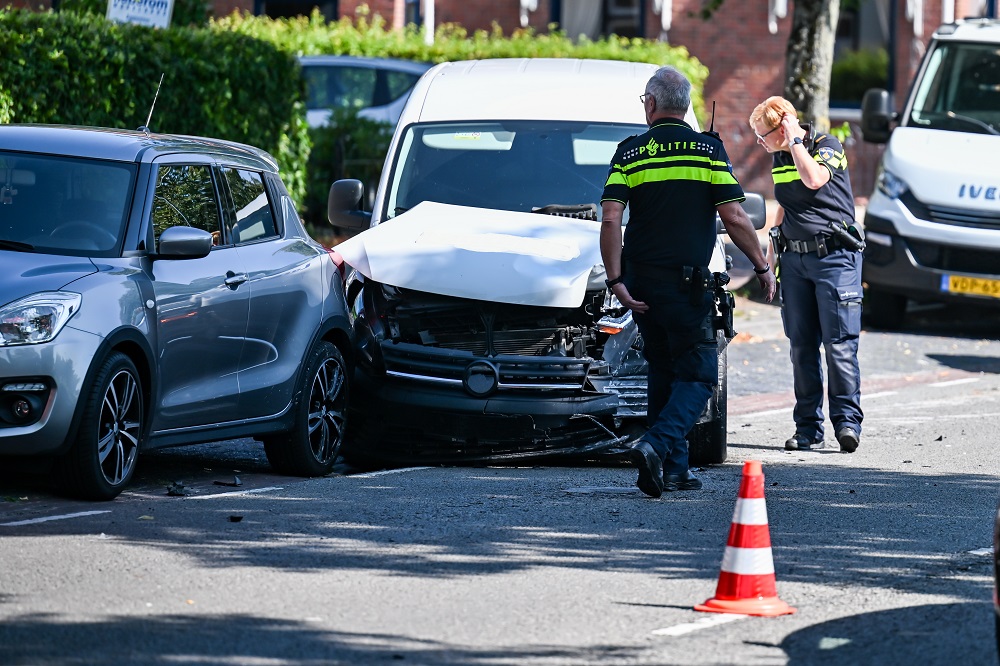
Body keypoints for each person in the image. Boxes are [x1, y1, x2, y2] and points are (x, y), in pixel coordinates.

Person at [600, 66, 776, 498]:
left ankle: (672, 469)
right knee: (698, 378)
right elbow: (734, 215)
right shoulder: (707, 152)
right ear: (686, 106)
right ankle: (657, 446)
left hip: (641, 285)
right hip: (686, 286)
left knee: (662, 369)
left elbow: (610, 218)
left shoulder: (629, 153)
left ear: (651, 104)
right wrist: (762, 266)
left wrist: (616, 278)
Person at [748, 96, 863, 454]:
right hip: (795, 263)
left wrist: (796, 140)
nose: (759, 142)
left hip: (834, 259)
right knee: (801, 348)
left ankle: (847, 423)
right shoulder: (779, 156)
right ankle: (808, 428)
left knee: (839, 346)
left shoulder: (825, 145)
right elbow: (787, 205)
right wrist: (769, 260)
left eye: (762, 135)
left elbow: (813, 180)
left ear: (781, 128)